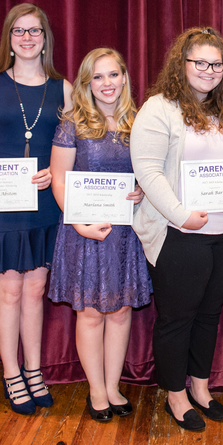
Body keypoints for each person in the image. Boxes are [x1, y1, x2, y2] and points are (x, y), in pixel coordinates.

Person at [131, 27, 223, 432]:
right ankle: (175, 394)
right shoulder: (159, 108)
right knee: (176, 317)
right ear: (181, 64)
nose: (208, 70)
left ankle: (201, 388)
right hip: (179, 233)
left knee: (208, 314)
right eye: (199, 62)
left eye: (216, 64)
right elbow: (148, 172)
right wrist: (180, 214)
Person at [0, 3, 71, 414]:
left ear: (45, 39)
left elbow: (68, 148)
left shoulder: (63, 88)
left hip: (42, 200)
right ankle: (11, 373)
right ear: (9, 37)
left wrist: (53, 173)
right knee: (8, 292)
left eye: (34, 31)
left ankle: (35, 369)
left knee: (36, 291)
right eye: (19, 31)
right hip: (0, 200)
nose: (26, 38)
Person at [49, 48, 149, 424]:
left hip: (125, 233)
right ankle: (95, 390)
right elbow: (59, 178)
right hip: (85, 231)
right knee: (91, 314)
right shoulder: (72, 122)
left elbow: (147, 173)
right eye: (98, 77)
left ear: (124, 77)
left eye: (113, 75)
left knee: (121, 312)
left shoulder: (138, 122)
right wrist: (77, 221)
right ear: (86, 83)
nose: (107, 84)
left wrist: (140, 190)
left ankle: (112, 386)